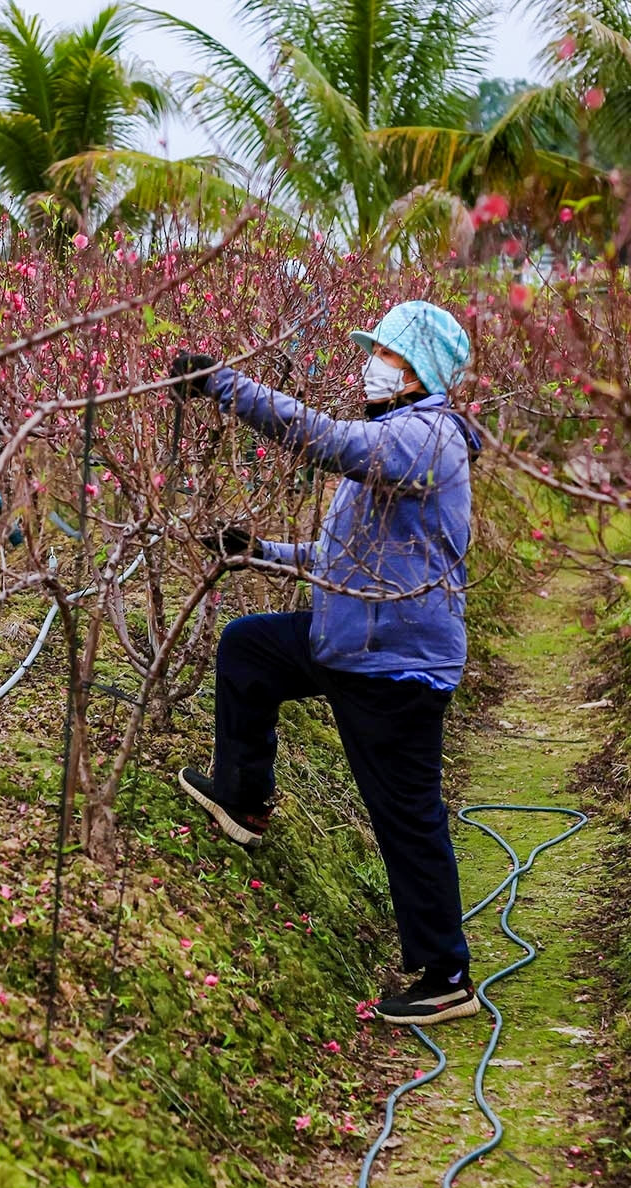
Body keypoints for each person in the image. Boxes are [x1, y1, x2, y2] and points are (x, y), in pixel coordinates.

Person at [166, 299, 482, 1027]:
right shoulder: (398, 438)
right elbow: (350, 562)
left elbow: (321, 440)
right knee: (250, 648)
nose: (373, 363)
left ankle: (446, 973)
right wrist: (262, 553)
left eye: (389, 355)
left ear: (418, 372)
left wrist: (224, 383)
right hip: (353, 643)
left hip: (395, 667)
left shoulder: (423, 438)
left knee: (406, 817)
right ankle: (243, 796)